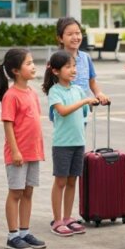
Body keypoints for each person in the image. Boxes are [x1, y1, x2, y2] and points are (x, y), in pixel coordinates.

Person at [0, 48, 47, 249]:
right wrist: (15, 151)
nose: (33, 66)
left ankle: (25, 231)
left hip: (33, 152)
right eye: (28, 63)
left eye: (33, 62)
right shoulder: (11, 95)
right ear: (16, 71)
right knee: (15, 192)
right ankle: (13, 235)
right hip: (17, 154)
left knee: (28, 192)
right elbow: (8, 125)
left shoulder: (32, 93)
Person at [43, 50, 98, 237]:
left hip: (78, 142)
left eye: (74, 66)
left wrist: (90, 101)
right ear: (56, 71)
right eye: (68, 67)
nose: (73, 70)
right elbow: (63, 111)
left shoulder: (78, 90)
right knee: (60, 181)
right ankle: (57, 220)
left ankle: (68, 218)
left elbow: (83, 114)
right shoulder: (55, 91)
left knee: (73, 181)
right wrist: (84, 100)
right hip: (62, 144)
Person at [55, 17, 110, 106]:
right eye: (70, 34)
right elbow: (50, 85)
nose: (75, 37)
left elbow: (91, 82)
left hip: (83, 112)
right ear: (60, 38)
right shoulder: (56, 59)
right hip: (65, 110)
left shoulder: (86, 57)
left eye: (78, 33)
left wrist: (98, 93)